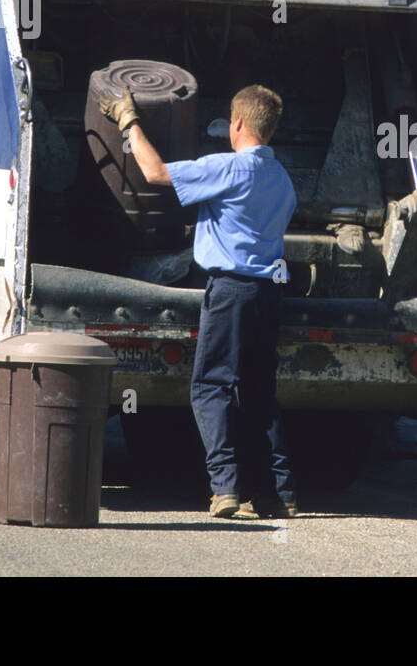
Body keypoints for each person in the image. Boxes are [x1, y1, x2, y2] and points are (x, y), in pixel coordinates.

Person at [101, 83, 298, 519]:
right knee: (259, 394)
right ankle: (276, 493)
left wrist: (128, 121)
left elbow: (154, 173)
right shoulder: (282, 179)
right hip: (269, 292)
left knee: (211, 386)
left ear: (239, 124)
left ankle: (225, 489)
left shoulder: (228, 168)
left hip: (231, 292)